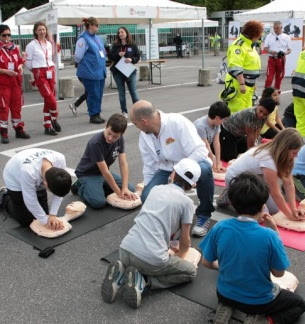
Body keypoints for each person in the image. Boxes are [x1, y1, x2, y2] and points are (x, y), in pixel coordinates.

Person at [200, 173, 305, 324]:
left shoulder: (220, 227)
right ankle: (263, 323)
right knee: (299, 305)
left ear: (233, 203)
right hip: (258, 302)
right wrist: (275, 230)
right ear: (263, 205)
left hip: (224, 293)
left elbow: (206, 262)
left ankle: (226, 307)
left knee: (231, 290)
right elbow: (279, 273)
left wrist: (223, 267)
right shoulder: (269, 236)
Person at [101, 158, 201, 309]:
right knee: (190, 272)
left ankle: (121, 274)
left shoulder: (156, 189)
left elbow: (153, 222)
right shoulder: (187, 203)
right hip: (150, 260)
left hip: (125, 249)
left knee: (142, 257)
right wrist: (178, 257)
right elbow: (185, 241)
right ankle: (145, 281)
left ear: (173, 174)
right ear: (194, 185)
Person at [130, 100, 215, 237]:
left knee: (205, 170)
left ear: (144, 121)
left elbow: (200, 151)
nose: (136, 127)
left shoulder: (177, 122)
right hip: (167, 169)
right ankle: (167, 221)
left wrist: (181, 170)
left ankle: (204, 214)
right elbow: (149, 165)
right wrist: (148, 187)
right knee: (147, 197)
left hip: (192, 164)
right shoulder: (144, 136)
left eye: (135, 124)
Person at [217, 128, 305, 221]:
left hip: (254, 178)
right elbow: (275, 193)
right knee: (260, 216)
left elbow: (288, 183)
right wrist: (289, 216)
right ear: (284, 149)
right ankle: (231, 195)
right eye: (294, 153)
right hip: (237, 180)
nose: (296, 156)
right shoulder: (268, 159)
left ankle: (234, 196)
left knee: (274, 209)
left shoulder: (282, 155)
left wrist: (293, 209)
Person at [0, 148, 72, 229]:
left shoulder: (60, 160)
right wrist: (44, 221)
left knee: (44, 214)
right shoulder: (28, 172)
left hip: (34, 175)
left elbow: (60, 191)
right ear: (45, 184)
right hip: (15, 177)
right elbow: (30, 200)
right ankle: (4, 197)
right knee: (27, 220)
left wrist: (53, 214)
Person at [72, 113, 135, 208]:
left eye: (115, 136)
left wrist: (125, 188)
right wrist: (118, 192)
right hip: (88, 174)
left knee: (130, 189)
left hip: (102, 173)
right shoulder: (95, 142)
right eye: (109, 133)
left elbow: (123, 164)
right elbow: (105, 172)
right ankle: (79, 185)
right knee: (99, 202)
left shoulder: (120, 139)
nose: (110, 138)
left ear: (121, 134)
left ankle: (97, 187)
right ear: (106, 126)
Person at [0, 24, 30, 144]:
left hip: (15, 82)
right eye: (4, 35)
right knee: (3, 108)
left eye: (9, 34)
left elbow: (20, 61)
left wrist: (20, 67)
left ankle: (18, 129)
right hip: (2, 84)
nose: (7, 37)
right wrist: (6, 71)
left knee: (16, 107)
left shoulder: (14, 48)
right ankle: (3, 131)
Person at [25, 21, 60, 135]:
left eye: (43, 29)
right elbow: (28, 62)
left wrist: (52, 69)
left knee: (48, 99)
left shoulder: (49, 44)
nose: (42, 31)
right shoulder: (31, 45)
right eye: (39, 30)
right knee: (51, 100)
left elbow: (51, 58)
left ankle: (48, 124)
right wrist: (36, 73)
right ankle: (53, 119)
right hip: (40, 72)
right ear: (35, 31)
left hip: (50, 71)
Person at [222, 20, 264, 114]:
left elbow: (250, 65)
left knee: (247, 111)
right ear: (254, 34)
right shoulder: (239, 46)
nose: (260, 36)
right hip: (239, 84)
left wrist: (253, 84)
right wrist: (242, 84)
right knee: (237, 111)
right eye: (259, 34)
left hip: (248, 84)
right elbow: (236, 67)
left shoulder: (249, 45)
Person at [219, 97, 276, 162]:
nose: (261, 115)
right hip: (227, 131)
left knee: (244, 150)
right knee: (231, 159)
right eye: (260, 111)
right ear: (258, 105)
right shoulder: (250, 114)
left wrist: (255, 146)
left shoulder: (264, 118)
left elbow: (257, 131)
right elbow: (250, 135)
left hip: (239, 134)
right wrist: (251, 154)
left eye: (265, 114)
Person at [74, 17, 107, 124]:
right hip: (89, 72)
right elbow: (78, 56)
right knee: (93, 94)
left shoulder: (97, 38)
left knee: (99, 94)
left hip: (99, 72)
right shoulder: (83, 39)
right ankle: (93, 114)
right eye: (97, 25)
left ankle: (97, 112)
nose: (98, 27)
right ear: (90, 26)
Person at [108, 26, 140, 118]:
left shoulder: (132, 44)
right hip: (118, 72)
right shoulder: (115, 45)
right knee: (121, 92)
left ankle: (138, 110)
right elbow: (110, 57)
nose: (120, 34)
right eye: (119, 33)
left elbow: (138, 57)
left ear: (126, 33)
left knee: (133, 91)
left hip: (129, 71)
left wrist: (131, 59)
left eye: (122, 32)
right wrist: (118, 54)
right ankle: (124, 111)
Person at [193, 101, 231, 174]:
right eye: (224, 119)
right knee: (207, 168)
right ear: (217, 118)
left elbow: (216, 143)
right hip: (195, 151)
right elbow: (206, 146)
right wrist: (214, 163)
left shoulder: (216, 124)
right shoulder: (200, 126)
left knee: (215, 162)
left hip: (204, 149)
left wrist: (218, 162)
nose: (223, 122)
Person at [263, 21, 292, 90]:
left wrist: (284, 53)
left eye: (277, 28)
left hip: (281, 59)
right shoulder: (269, 36)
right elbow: (265, 48)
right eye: (274, 28)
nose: (275, 30)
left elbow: (289, 49)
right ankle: (267, 93)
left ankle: (276, 93)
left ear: (281, 28)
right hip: (272, 59)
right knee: (269, 78)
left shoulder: (286, 37)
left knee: (279, 78)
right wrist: (270, 51)